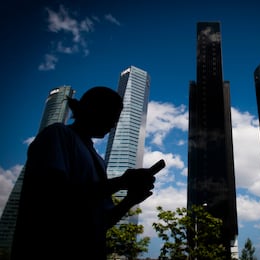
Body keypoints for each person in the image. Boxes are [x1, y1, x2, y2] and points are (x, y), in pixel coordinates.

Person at [11, 86, 156, 260]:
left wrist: (130, 199)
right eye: (111, 116)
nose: (113, 123)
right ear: (92, 109)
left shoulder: (98, 159)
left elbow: (101, 222)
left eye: (116, 118)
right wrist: (122, 182)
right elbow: (56, 196)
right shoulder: (59, 134)